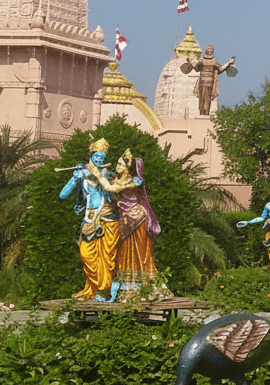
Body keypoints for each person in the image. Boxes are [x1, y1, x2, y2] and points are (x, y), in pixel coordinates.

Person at [59, 138, 119, 301]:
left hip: (109, 220)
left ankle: (105, 290)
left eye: (102, 156)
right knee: (86, 254)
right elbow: (63, 195)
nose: (100, 158)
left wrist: (101, 177)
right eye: (97, 155)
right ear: (91, 156)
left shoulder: (110, 175)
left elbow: (116, 195)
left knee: (107, 258)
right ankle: (95, 288)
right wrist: (74, 178)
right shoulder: (83, 175)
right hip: (91, 220)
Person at [109, 149, 170, 301]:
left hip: (137, 218)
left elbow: (115, 188)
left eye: (119, 164)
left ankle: (144, 287)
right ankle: (127, 287)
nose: (117, 166)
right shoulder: (116, 179)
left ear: (128, 167)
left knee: (139, 251)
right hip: (124, 219)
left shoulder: (134, 181)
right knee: (125, 251)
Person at [180, 43, 236, 117]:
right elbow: (221, 70)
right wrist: (229, 63)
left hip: (203, 82)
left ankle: (203, 113)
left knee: (202, 98)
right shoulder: (214, 62)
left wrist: (191, 62)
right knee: (207, 98)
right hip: (209, 82)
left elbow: (196, 69)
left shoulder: (202, 62)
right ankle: (205, 113)